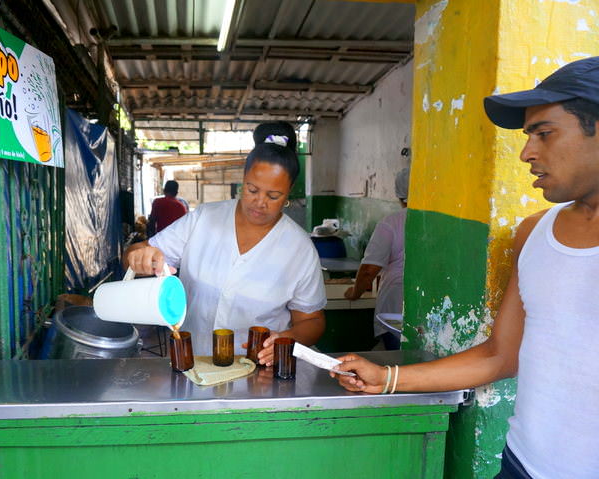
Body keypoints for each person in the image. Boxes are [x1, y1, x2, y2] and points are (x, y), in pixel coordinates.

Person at [331, 57, 599, 478]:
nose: (528, 153)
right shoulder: (533, 235)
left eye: (544, 134)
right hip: (519, 465)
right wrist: (386, 378)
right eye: (529, 136)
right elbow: (499, 355)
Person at [124, 122, 326, 360]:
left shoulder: (299, 248)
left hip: (257, 373)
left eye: (273, 196)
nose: (260, 202)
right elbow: (138, 253)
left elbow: (312, 321)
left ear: (289, 192)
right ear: (243, 179)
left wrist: (288, 338)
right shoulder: (203, 219)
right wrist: (138, 255)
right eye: (252, 190)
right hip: (193, 363)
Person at [344, 167, 409, 350]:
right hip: (431, 311)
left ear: (399, 195)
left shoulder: (391, 223)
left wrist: (355, 293)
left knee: (397, 366)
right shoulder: (440, 222)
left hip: (395, 309)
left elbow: (369, 271)